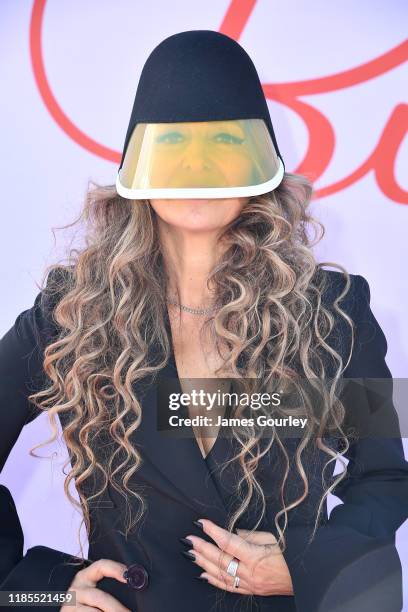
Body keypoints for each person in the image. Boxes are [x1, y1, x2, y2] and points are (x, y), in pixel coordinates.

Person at [0, 30, 407, 612]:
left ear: (261, 157)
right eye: (174, 146)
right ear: (137, 160)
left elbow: (388, 478)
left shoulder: (335, 311)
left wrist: (307, 567)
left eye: (223, 143)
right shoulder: (69, 314)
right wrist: (36, 588)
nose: (198, 168)